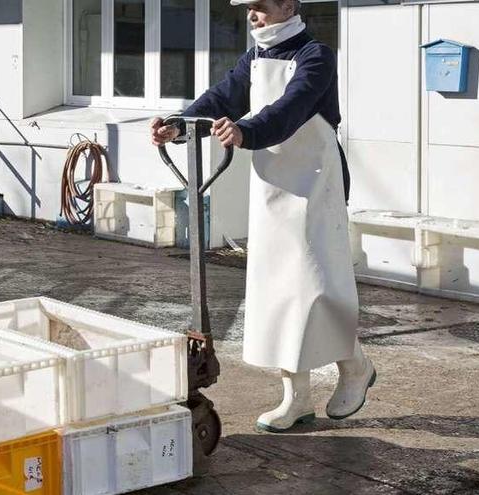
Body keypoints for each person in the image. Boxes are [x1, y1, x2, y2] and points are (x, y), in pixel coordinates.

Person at [150, 0, 376, 433]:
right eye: (249, 9)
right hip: (274, 181)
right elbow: (224, 95)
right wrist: (180, 124)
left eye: (260, 7)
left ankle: (355, 366)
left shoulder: (316, 55)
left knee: (318, 285)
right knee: (279, 288)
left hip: (316, 183)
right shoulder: (255, 56)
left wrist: (247, 130)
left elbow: (292, 108)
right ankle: (297, 398)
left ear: (288, 5)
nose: (253, 16)